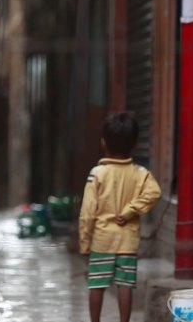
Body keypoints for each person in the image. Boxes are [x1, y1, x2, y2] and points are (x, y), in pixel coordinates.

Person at [78, 112, 162, 322]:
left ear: (103, 142)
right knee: (125, 284)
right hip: (128, 240)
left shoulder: (97, 173)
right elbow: (154, 193)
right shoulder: (141, 173)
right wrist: (129, 211)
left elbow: (87, 213)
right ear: (134, 145)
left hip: (101, 240)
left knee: (96, 283)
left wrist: (84, 243)